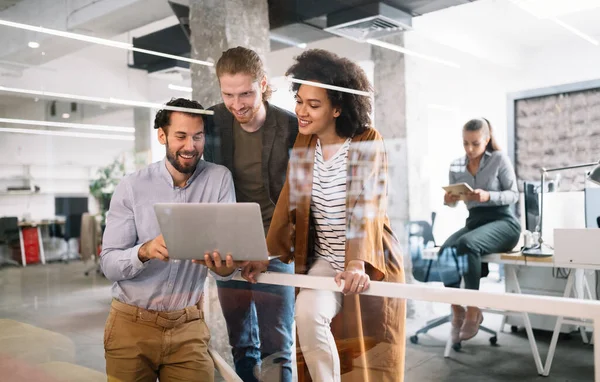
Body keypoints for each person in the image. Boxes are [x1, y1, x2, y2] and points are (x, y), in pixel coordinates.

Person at [243, 49, 406, 382]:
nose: (302, 112)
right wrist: (265, 255)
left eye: (313, 105)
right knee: (307, 314)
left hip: (371, 258)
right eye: (300, 101)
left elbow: (367, 204)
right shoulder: (305, 143)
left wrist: (357, 262)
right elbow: (292, 202)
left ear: (337, 108)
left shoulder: (366, 140)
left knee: (372, 355)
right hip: (327, 259)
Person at [100, 98, 247, 382]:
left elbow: (226, 270)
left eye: (197, 136)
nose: (190, 146)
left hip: (188, 326)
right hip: (131, 324)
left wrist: (226, 264)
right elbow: (109, 264)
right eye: (181, 136)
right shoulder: (132, 186)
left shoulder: (219, 180)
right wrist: (145, 251)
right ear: (162, 135)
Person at [203, 46, 298, 382]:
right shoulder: (213, 122)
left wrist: (269, 248)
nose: (237, 104)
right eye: (228, 94)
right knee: (241, 342)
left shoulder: (289, 126)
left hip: (276, 244)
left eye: (245, 93)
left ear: (262, 84)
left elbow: (299, 200)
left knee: (277, 344)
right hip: (230, 244)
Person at [442, 117, 521, 343]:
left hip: (503, 222)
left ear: (486, 140)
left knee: (467, 244)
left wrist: (489, 196)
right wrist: (449, 199)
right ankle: (457, 308)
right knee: (446, 249)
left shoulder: (499, 159)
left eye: (475, 143)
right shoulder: (456, 165)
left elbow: (514, 194)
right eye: (465, 143)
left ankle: (474, 308)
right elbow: (452, 203)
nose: (469, 148)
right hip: (475, 221)